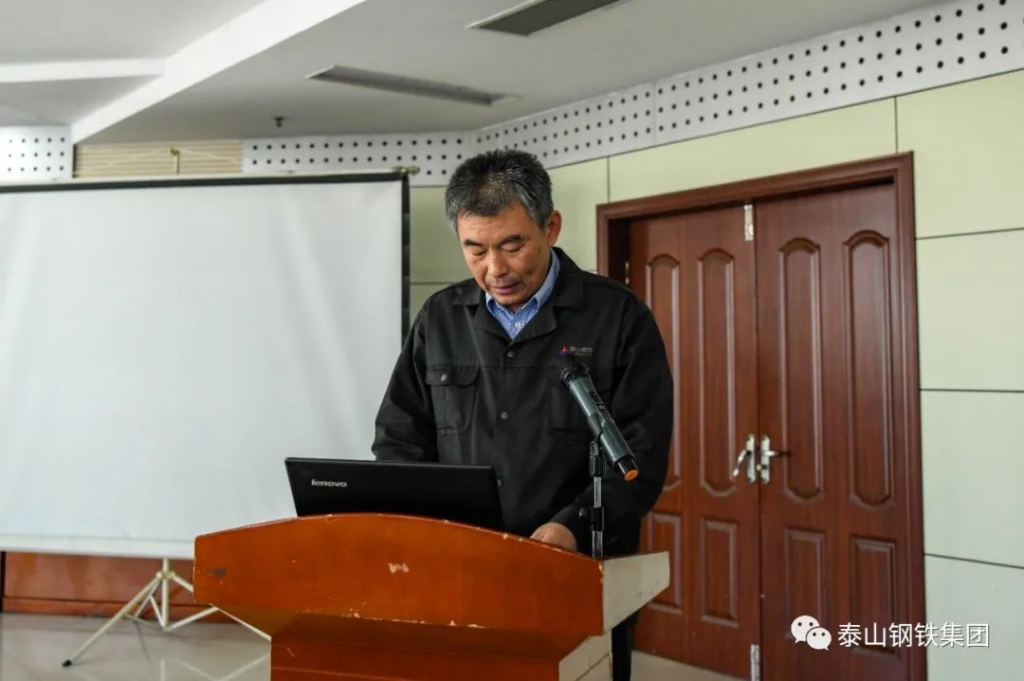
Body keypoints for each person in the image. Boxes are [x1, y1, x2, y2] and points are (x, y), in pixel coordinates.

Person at [372, 148, 674, 681]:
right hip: (459, 573)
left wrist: (571, 528)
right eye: (475, 249)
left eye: (512, 245)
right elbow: (400, 435)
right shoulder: (440, 318)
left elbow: (639, 457)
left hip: (573, 573)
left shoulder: (617, 317)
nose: (495, 269)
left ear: (550, 227)